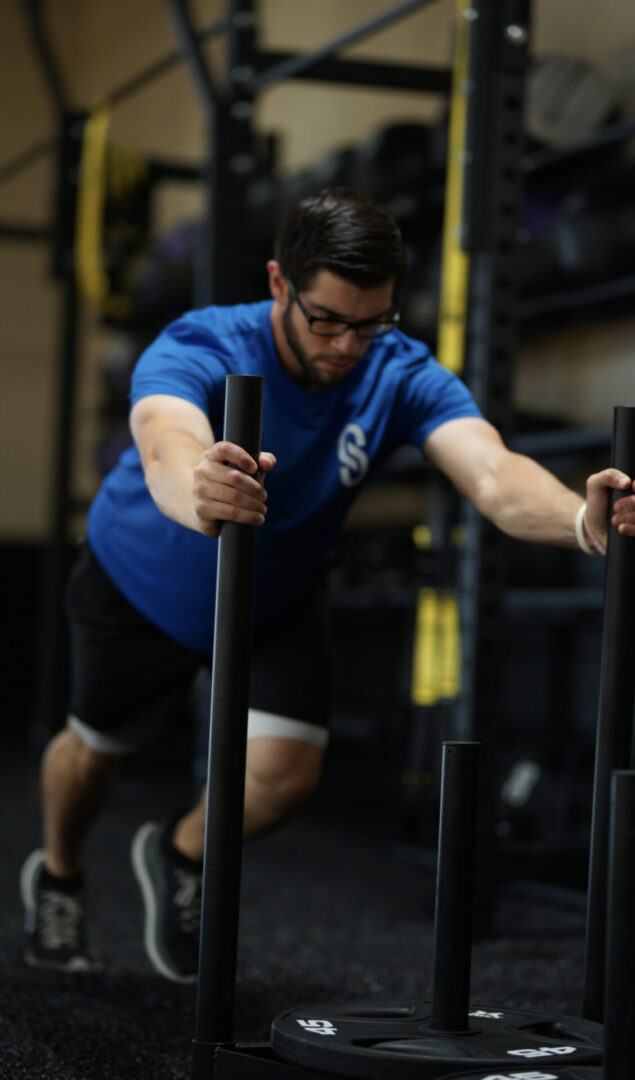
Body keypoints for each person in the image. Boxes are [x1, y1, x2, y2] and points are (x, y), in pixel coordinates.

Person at [20, 188, 635, 983]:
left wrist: (583, 522)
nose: (348, 344)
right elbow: (164, 438)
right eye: (326, 321)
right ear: (280, 283)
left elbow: (492, 473)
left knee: (283, 782)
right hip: (139, 581)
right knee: (94, 754)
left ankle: (180, 852)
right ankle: (59, 873)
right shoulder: (201, 340)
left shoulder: (399, 370)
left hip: (275, 589)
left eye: (370, 321)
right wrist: (199, 484)